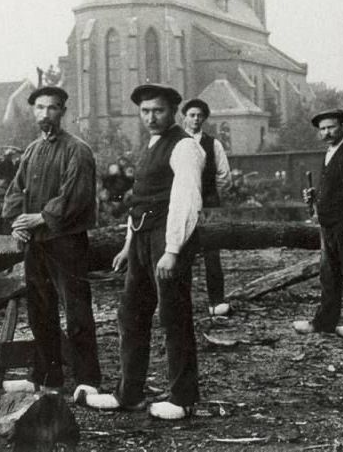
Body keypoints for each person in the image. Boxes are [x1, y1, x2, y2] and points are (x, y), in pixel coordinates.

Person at [80, 84, 204, 420]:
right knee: (131, 314)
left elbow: (187, 201)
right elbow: (139, 204)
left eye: (158, 111)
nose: (151, 117)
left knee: (174, 316)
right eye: (145, 111)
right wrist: (127, 245)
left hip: (168, 240)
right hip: (142, 241)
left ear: (173, 111)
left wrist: (173, 250)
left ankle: (182, 398)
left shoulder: (184, 147)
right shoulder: (149, 145)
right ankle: (129, 393)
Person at [2, 85, 102, 396]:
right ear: (33, 111)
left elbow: (76, 195)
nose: (46, 114)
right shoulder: (31, 151)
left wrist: (42, 217)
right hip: (36, 244)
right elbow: (16, 192)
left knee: (77, 312)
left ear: (63, 112)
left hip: (66, 243)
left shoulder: (77, 150)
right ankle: (48, 377)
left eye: (53, 108)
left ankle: (87, 380)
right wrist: (17, 223)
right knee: (40, 312)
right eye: (40, 107)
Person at [293, 109, 343, 338]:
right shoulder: (329, 154)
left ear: (342, 126)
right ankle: (324, 323)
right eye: (323, 129)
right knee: (329, 275)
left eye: (331, 127)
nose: (327, 132)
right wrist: (315, 197)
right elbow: (336, 189)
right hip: (328, 225)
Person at [180, 98, 232, 317]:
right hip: (181, 203)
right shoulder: (175, 142)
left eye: (199, 116)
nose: (195, 119)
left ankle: (216, 301)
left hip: (208, 204)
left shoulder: (214, 144)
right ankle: (181, 304)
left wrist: (210, 196)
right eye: (192, 115)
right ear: (184, 116)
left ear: (204, 119)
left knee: (212, 252)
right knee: (180, 250)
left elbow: (224, 176)